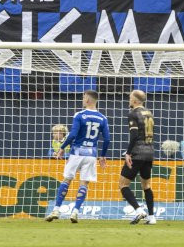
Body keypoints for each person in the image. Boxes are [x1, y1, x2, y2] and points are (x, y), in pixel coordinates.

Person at [46, 89, 111, 224]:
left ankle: (56, 210)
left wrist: (62, 148)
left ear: (87, 99)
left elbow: (73, 135)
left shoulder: (80, 115)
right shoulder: (103, 118)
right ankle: (75, 211)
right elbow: (107, 139)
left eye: (83, 97)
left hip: (76, 153)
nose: (82, 100)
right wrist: (103, 155)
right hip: (91, 154)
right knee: (84, 183)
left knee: (67, 180)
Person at [118, 89, 156, 225]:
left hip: (137, 153)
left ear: (135, 100)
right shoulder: (149, 113)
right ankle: (151, 217)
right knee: (146, 185)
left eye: (130, 98)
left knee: (123, 184)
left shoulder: (133, 113)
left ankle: (139, 210)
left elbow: (134, 135)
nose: (129, 100)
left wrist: (128, 153)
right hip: (149, 152)